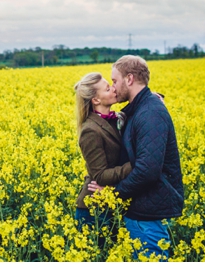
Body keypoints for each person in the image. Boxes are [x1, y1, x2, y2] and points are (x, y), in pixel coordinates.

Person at [89, 55, 184, 260]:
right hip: (143, 208)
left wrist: (112, 194)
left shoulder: (149, 112)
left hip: (147, 214)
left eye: (114, 81)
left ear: (129, 79)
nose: (113, 87)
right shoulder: (142, 108)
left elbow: (147, 170)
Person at [73, 72, 133, 228]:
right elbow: (100, 175)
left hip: (110, 202)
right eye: (107, 89)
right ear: (96, 100)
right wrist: (137, 164)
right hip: (94, 210)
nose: (113, 89)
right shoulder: (91, 130)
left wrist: (149, 99)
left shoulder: (116, 119)